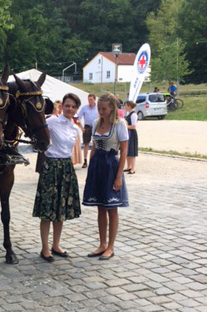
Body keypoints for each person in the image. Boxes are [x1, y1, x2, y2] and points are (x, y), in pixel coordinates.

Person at [33, 93, 81, 262]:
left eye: (73, 107)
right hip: (51, 166)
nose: (70, 109)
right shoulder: (51, 121)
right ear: (62, 107)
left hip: (66, 168)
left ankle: (56, 245)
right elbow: (36, 133)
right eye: (67, 105)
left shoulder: (75, 128)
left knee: (60, 210)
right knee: (47, 210)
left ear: (76, 109)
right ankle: (45, 248)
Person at [82, 93, 129, 261]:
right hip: (97, 166)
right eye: (99, 108)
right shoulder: (95, 123)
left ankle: (110, 246)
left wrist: (119, 177)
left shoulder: (120, 124)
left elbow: (124, 151)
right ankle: (102, 244)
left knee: (111, 208)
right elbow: (94, 146)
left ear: (111, 108)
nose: (100, 111)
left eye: (104, 108)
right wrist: (89, 170)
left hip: (111, 165)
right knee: (100, 207)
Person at [77, 94, 98, 168]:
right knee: (86, 144)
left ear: (94, 100)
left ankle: (94, 160)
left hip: (96, 127)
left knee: (96, 144)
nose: (90, 101)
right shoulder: (84, 108)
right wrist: (81, 128)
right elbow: (78, 118)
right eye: (89, 99)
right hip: (87, 127)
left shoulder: (98, 108)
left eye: (91, 99)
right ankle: (85, 160)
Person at [124, 101, 138, 174]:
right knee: (128, 150)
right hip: (128, 133)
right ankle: (128, 166)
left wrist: (125, 126)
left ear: (129, 106)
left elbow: (133, 126)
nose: (125, 107)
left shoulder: (133, 115)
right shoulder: (128, 114)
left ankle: (132, 168)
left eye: (126, 106)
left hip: (132, 133)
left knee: (132, 151)